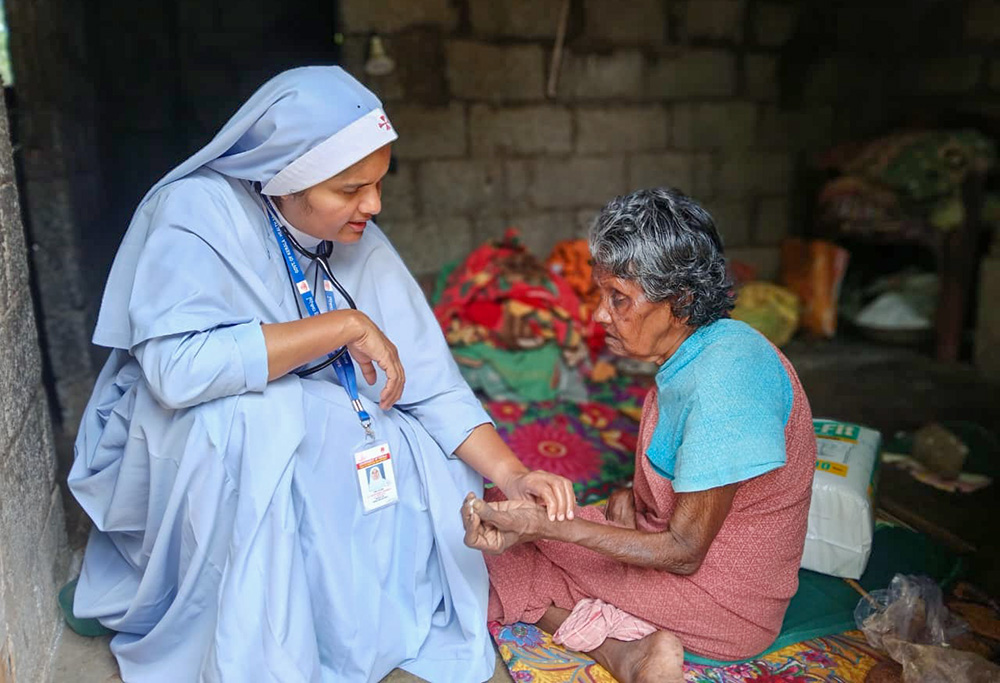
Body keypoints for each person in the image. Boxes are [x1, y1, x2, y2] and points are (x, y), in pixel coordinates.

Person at [68, 66, 575, 683]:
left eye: (380, 183)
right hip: (182, 429)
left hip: (304, 413)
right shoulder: (195, 210)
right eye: (351, 188)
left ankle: (341, 636)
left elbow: (429, 381)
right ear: (289, 176)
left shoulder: (353, 234)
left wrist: (513, 473)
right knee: (264, 423)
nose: (374, 205)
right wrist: (342, 327)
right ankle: (251, 642)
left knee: (424, 451)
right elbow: (178, 370)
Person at [462, 188, 817, 683]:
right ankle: (626, 650)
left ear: (681, 301)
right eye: (603, 294)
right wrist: (631, 496)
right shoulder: (704, 351)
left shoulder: (728, 382)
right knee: (507, 520)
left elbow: (684, 550)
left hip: (721, 603)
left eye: (619, 299)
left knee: (486, 556)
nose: (600, 315)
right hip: (679, 561)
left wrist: (546, 528)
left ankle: (618, 648)